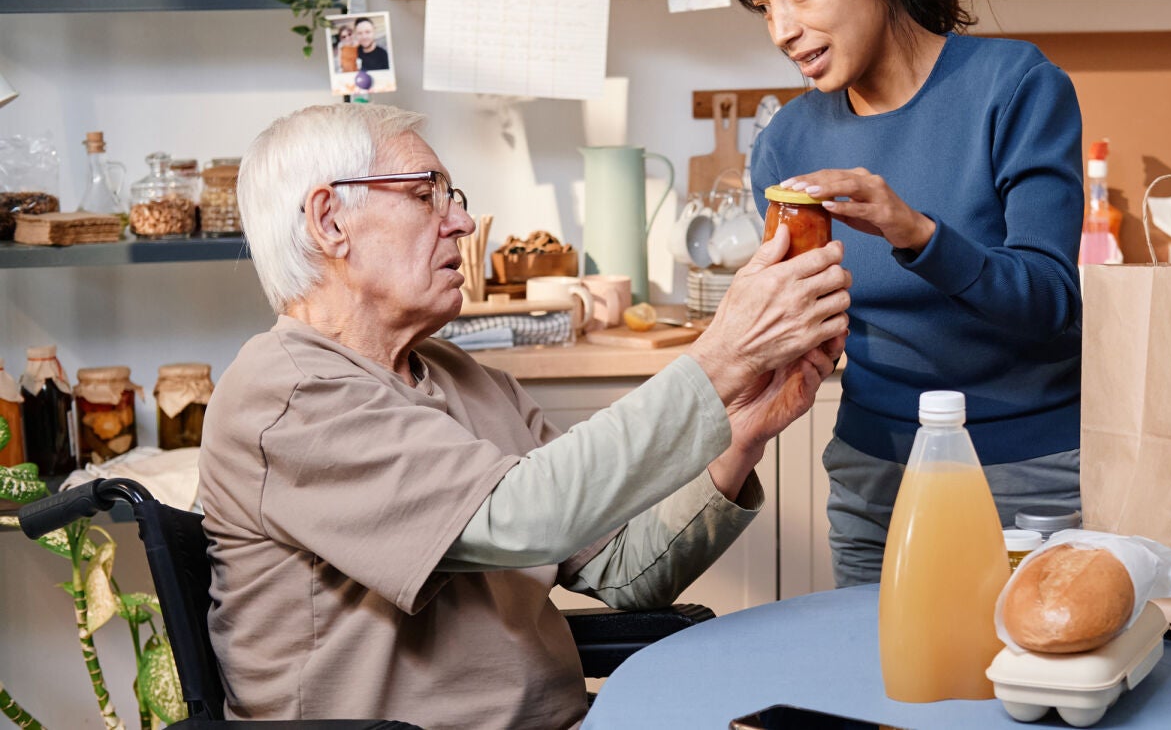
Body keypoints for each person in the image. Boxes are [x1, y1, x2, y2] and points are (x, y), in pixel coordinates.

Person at [198, 104, 850, 729]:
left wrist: (741, 430)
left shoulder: (467, 380)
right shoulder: (287, 396)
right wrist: (720, 356)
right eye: (427, 194)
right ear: (329, 220)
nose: (462, 222)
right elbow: (525, 517)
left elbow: (624, 570)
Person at [727, 0, 1084, 587]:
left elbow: (1051, 301)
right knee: (882, 688)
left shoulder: (1015, 88)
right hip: (875, 473)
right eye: (765, 6)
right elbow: (806, 323)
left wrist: (914, 232)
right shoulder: (786, 144)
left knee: (1029, 686)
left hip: (1029, 474)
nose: (782, 30)